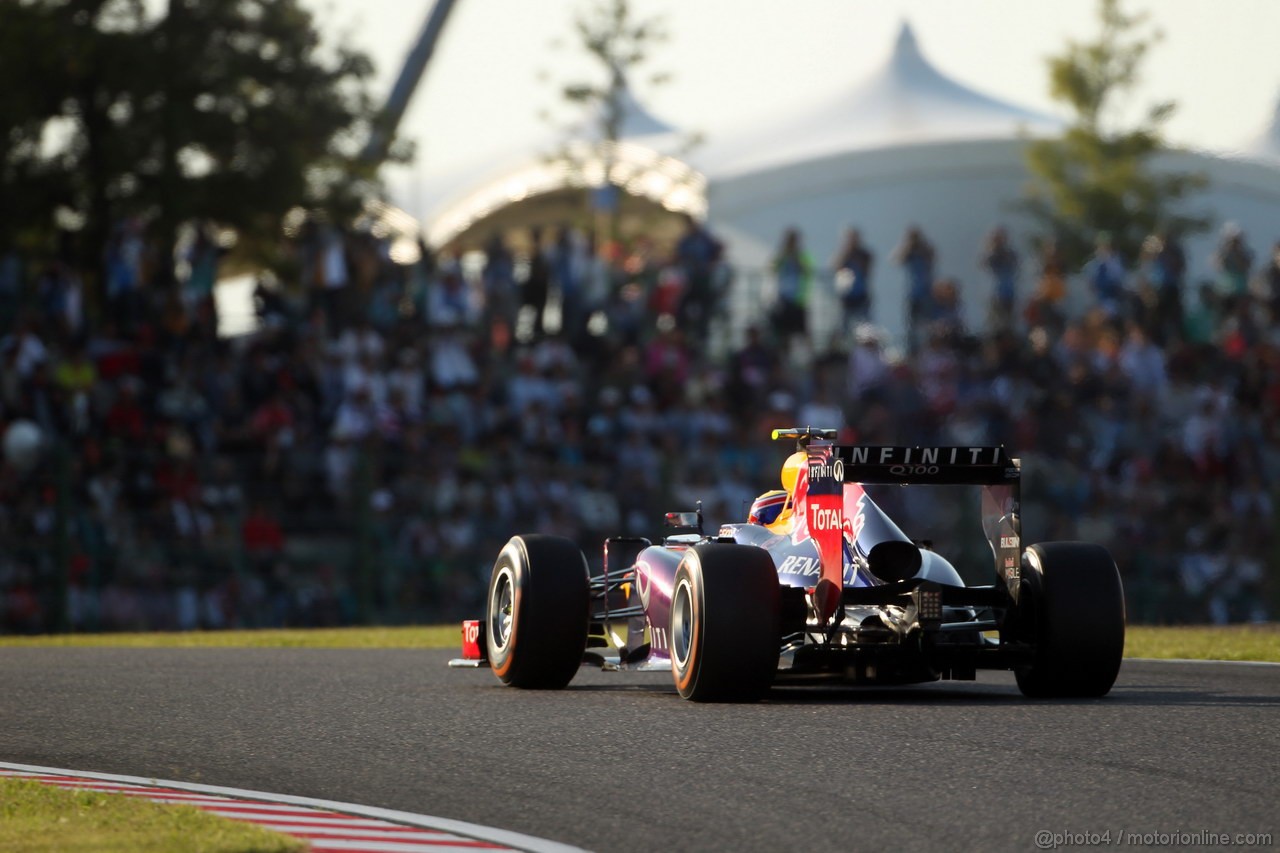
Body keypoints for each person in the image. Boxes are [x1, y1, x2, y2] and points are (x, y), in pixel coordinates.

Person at [893, 225, 935, 352]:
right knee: (911, 326)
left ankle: (928, 349)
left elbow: (932, 257)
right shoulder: (908, 252)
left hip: (926, 292)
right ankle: (912, 350)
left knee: (928, 324)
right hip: (912, 293)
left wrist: (920, 246)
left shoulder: (926, 250)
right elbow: (896, 260)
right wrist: (907, 245)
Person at [770, 227, 813, 346]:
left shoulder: (802, 255)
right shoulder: (781, 255)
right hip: (783, 298)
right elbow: (772, 269)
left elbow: (807, 271)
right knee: (784, 332)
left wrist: (796, 257)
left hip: (798, 299)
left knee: (803, 331)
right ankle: (785, 358)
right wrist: (783, 255)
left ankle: (809, 358)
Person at [832, 227, 873, 331]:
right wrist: (845, 253)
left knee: (864, 328)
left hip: (861, 295)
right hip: (846, 296)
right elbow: (834, 267)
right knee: (844, 328)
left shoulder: (865, 254)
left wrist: (855, 256)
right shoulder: (843, 254)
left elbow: (867, 271)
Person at [980, 226, 1019, 329]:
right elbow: (986, 267)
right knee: (995, 322)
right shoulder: (989, 255)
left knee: (1009, 321)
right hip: (994, 293)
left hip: (1008, 292)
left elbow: (1015, 267)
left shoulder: (1010, 254)